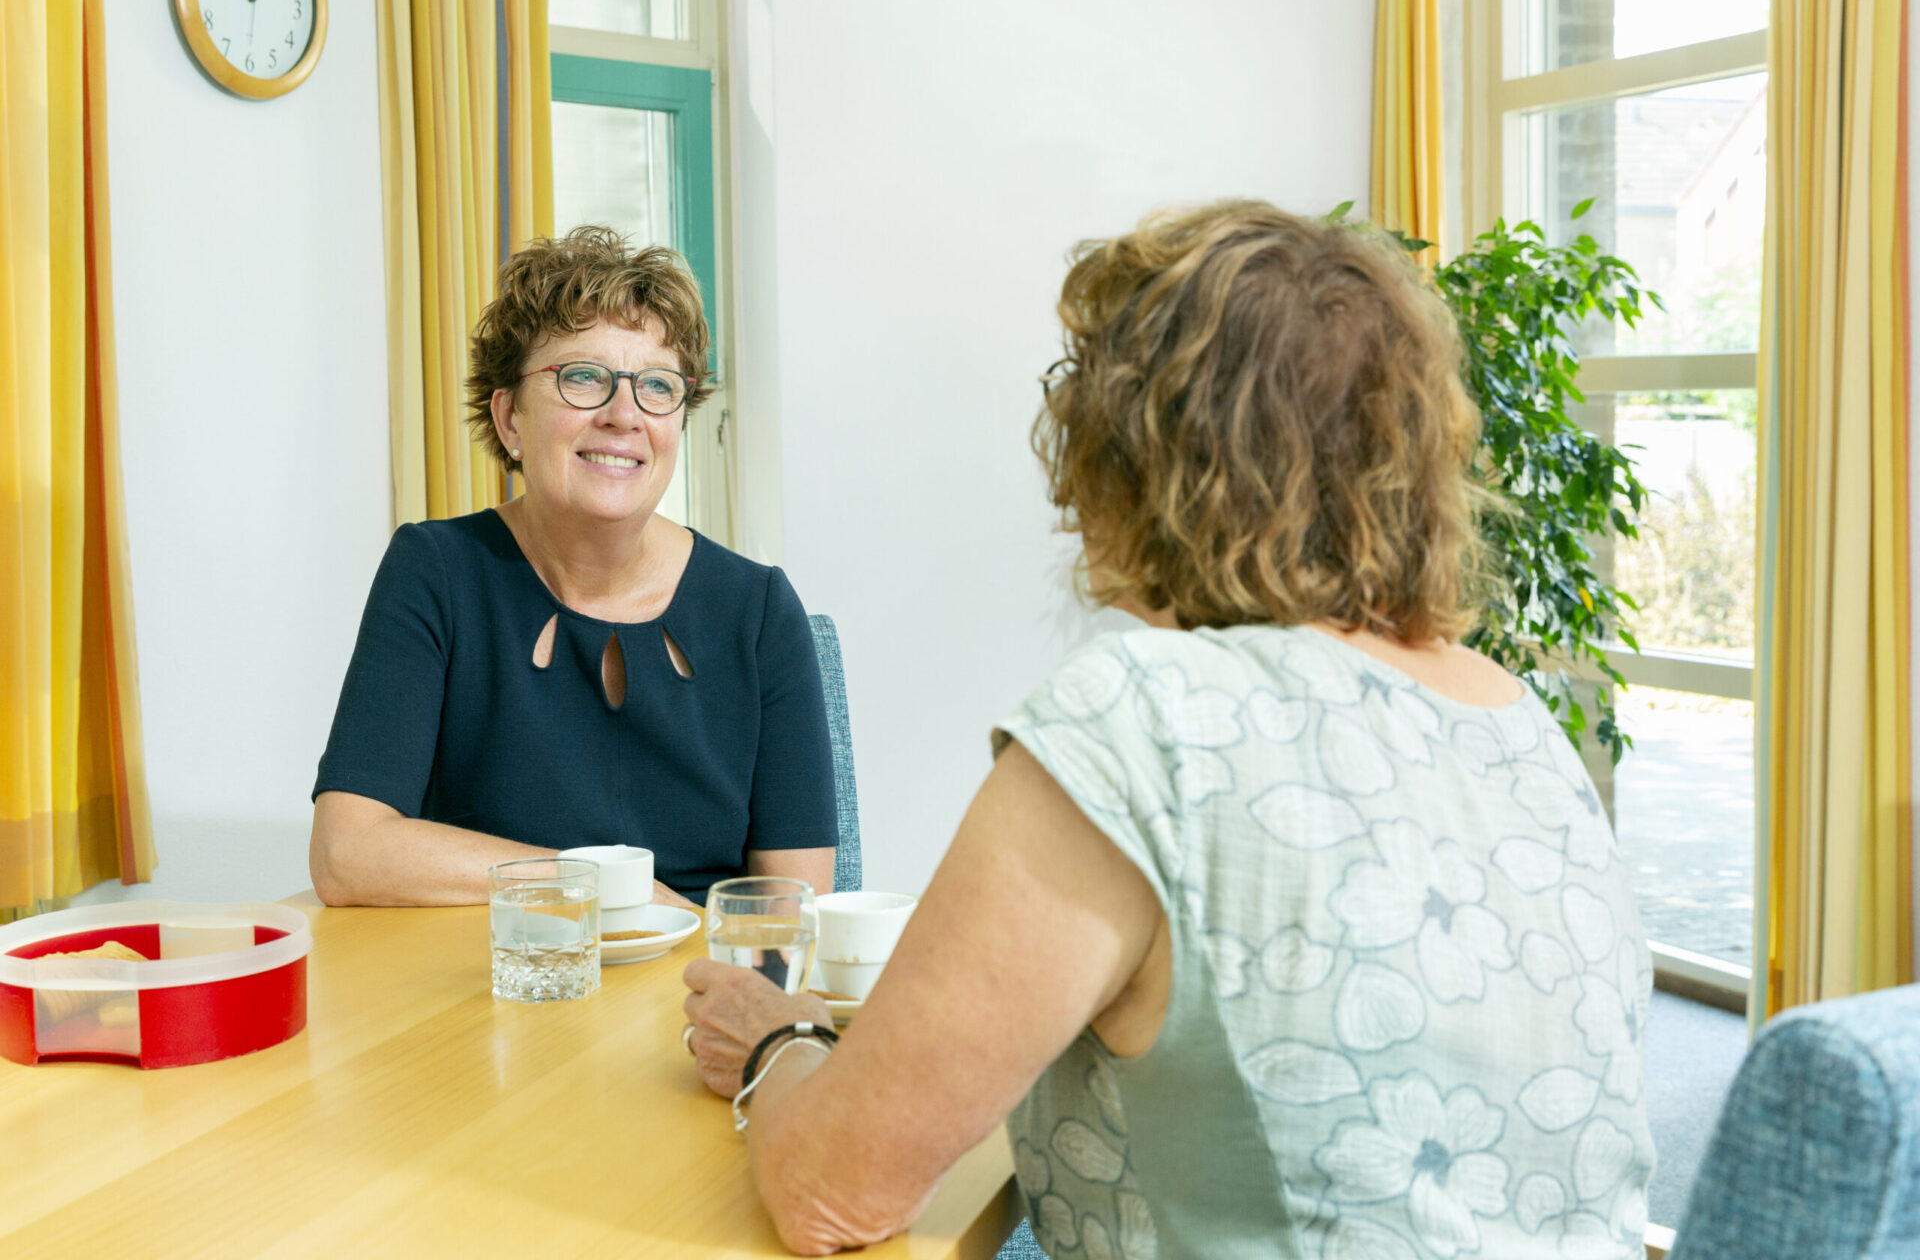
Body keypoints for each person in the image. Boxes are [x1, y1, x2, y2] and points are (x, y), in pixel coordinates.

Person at [681, 202, 1655, 1258]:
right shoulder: (1515, 722)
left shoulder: (1145, 721)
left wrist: (778, 1045)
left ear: (1125, 453)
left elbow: (836, 1193)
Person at [309, 227, 837, 909]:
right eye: (583, 377)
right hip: (502, 985)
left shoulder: (758, 609)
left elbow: (790, 907)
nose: (625, 416)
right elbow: (347, 855)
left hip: (693, 990)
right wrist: (613, 889)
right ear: (509, 420)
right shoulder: (436, 572)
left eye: (656, 385)